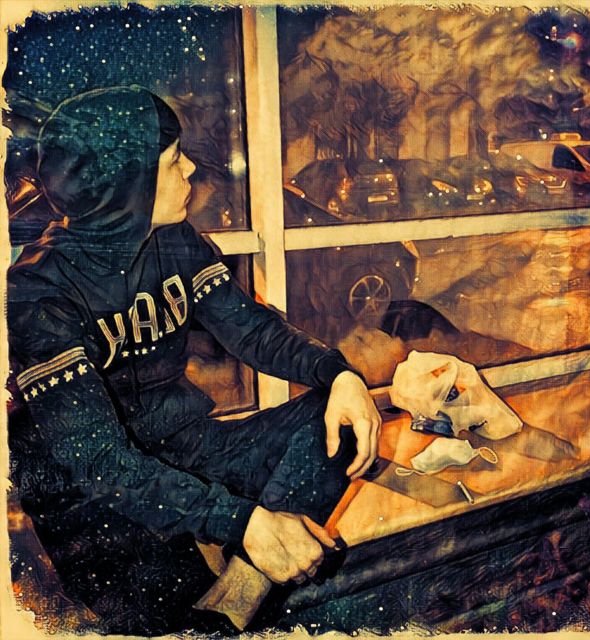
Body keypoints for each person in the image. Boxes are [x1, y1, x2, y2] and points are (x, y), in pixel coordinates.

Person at [7, 85, 381, 635]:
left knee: (341, 420)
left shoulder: (175, 240)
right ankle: (243, 584)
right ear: (125, 184)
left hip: (188, 447)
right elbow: (99, 462)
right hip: (93, 500)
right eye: (172, 161)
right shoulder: (39, 291)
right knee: (175, 620)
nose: (190, 170)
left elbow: (252, 331)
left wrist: (339, 372)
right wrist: (242, 521)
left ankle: (243, 586)